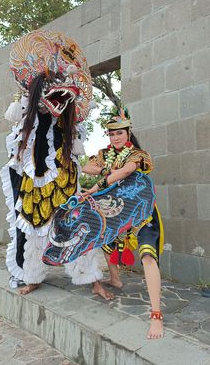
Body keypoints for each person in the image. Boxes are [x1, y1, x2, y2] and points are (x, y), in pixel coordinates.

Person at [1, 30, 113, 298]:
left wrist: (69, 84)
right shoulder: (30, 98)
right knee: (34, 228)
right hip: (34, 174)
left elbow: (64, 111)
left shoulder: (67, 92)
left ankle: (92, 278)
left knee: (73, 223)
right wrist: (30, 95)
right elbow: (17, 123)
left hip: (62, 171)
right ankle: (33, 276)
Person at [80, 108, 165, 339]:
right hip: (117, 211)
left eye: (120, 133)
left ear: (128, 133)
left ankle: (156, 315)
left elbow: (126, 172)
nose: (115, 138)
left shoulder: (137, 154)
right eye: (111, 134)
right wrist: (106, 168)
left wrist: (97, 186)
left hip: (141, 212)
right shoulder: (105, 153)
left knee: (147, 255)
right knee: (107, 244)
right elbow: (86, 167)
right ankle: (115, 279)